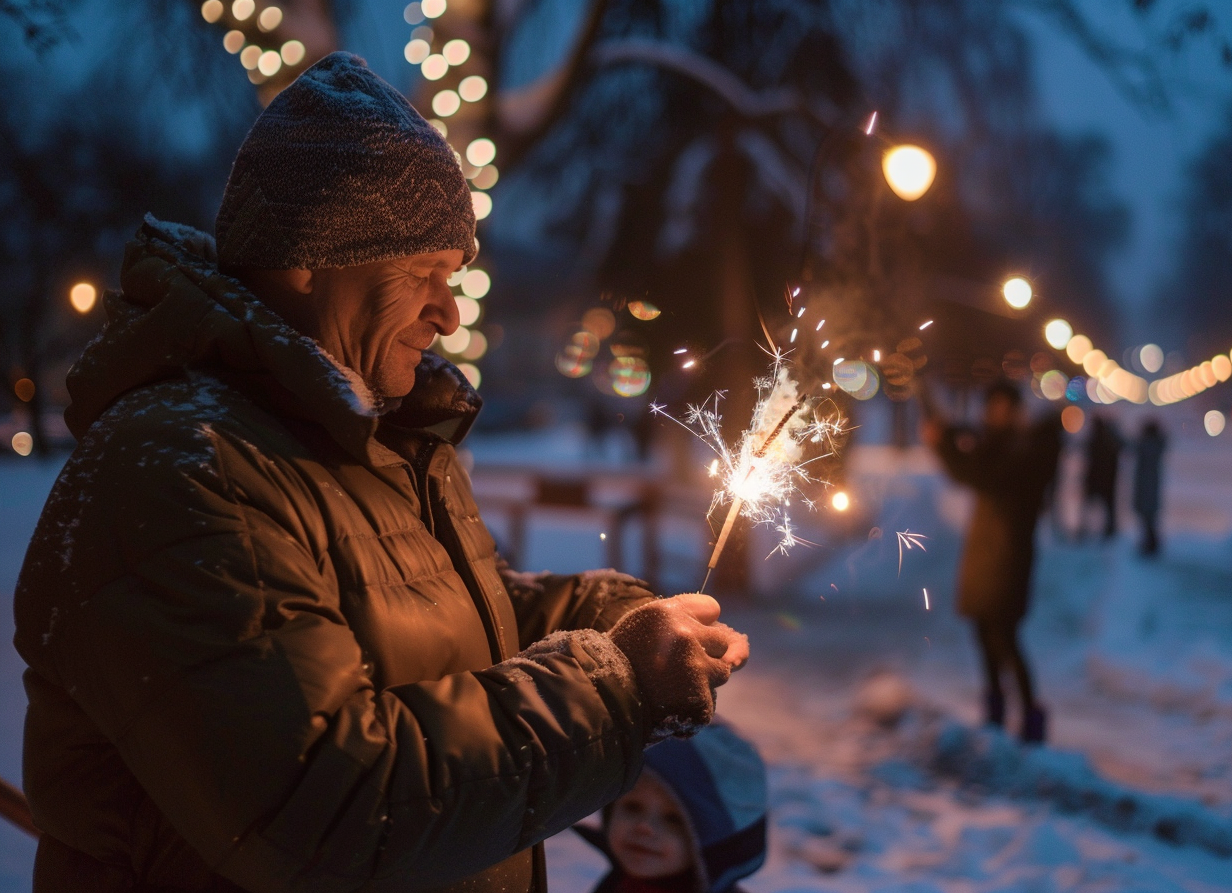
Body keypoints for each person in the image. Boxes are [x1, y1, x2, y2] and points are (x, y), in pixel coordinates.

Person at [14, 53, 748, 893]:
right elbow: (335, 803)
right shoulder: (180, 469)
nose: (450, 311)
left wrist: (612, 612)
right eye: (424, 275)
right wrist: (616, 689)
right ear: (308, 263)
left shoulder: (373, 443)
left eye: (455, 277)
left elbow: (451, 614)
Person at [922, 380, 1061, 743]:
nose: (993, 414)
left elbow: (980, 474)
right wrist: (945, 439)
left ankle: (1029, 717)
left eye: (1001, 407)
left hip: (1009, 558)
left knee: (1006, 637)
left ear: (1015, 411)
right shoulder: (999, 444)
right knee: (984, 636)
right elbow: (969, 469)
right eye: (991, 407)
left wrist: (944, 444)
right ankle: (996, 713)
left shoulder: (1024, 448)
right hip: (985, 555)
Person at [574, 723, 768, 893]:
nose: (644, 827)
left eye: (673, 819)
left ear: (715, 843)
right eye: (633, 807)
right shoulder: (618, 884)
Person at [1082, 414, 1122, 540]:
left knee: (1090, 506)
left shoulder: (1096, 440)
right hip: (1107, 480)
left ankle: (1086, 529)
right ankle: (1107, 529)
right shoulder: (1109, 441)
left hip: (1098, 479)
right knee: (1107, 508)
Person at [1132, 419, 1168, 557]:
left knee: (1148, 520)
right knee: (1149, 520)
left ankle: (1151, 546)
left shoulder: (1148, 446)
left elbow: (1133, 447)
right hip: (1150, 488)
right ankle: (1150, 545)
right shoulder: (1156, 445)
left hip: (1146, 488)